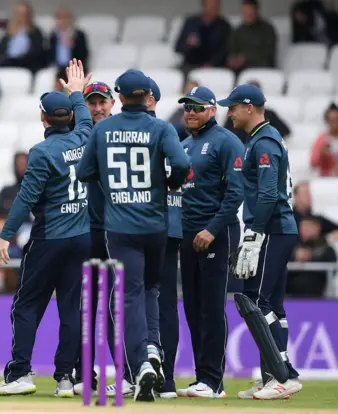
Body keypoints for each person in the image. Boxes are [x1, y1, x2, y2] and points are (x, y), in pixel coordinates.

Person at [76, 69, 190, 402]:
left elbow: (84, 172)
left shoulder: (104, 128)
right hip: (156, 224)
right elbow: (181, 163)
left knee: (128, 296)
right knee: (152, 290)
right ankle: (152, 350)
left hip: (121, 227)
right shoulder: (161, 127)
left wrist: (110, 182)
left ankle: (140, 363)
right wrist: (170, 184)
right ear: (147, 97)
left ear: (119, 97)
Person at [0, 59, 92, 398]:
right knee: (71, 308)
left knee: (26, 306)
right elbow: (86, 118)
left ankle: (19, 373)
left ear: (43, 118)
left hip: (50, 238)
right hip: (83, 237)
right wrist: (77, 93)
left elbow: (25, 198)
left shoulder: (42, 152)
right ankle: (65, 378)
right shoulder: (86, 136)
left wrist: (5, 236)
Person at [218, 84, 302, 399]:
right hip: (280, 227)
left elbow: (268, 194)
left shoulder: (264, 142)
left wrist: (254, 232)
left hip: (273, 229)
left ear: (249, 107)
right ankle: (273, 376)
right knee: (273, 305)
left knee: (257, 302)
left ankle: (285, 375)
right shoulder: (263, 139)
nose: (230, 113)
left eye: (233, 107)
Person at [176, 86, 243, 399]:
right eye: (187, 107)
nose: (191, 112)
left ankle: (213, 380)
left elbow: (236, 192)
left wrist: (213, 229)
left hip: (218, 232)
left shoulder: (226, 141)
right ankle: (202, 377)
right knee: (192, 307)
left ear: (212, 109)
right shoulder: (186, 143)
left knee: (212, 307)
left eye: (197, 107)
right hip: (188, 234)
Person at [73, 80, 135, 398]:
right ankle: (84, 374)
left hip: (118, 229)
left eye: (102, 102)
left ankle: (128, 372)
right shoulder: (81, 134)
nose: (97, 108)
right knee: (84, 305)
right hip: (86, 230)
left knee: (117, 304)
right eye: (91, 103)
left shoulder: (123, 134)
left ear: (113, 103)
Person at [146, 78, 182, 399]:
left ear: (152, 100)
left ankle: (156, 376)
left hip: (144, 227)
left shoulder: (148, 132)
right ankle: (164, 379)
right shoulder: (171, 133)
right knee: (164, 304)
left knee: (142, 302)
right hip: (167, 227)